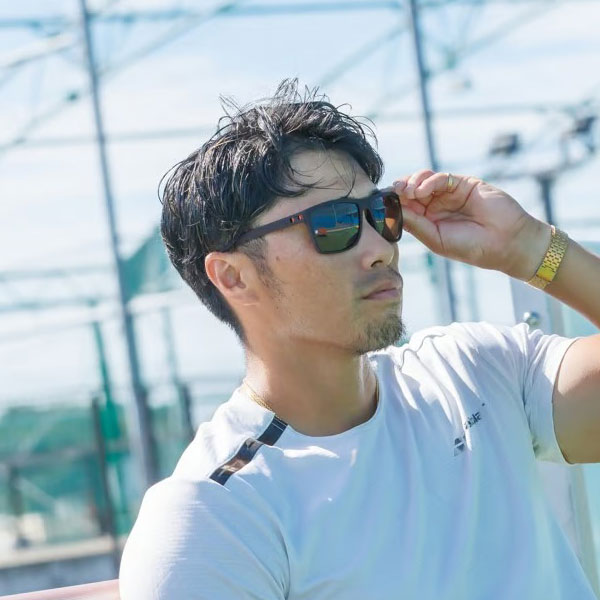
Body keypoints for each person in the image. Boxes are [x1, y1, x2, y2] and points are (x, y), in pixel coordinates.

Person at [118, 79, 600, 599]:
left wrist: (530, 248)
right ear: (233, 277)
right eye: (334, 224)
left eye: (381, 213)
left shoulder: (474, 371)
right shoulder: (216, 515)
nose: (380, 248)